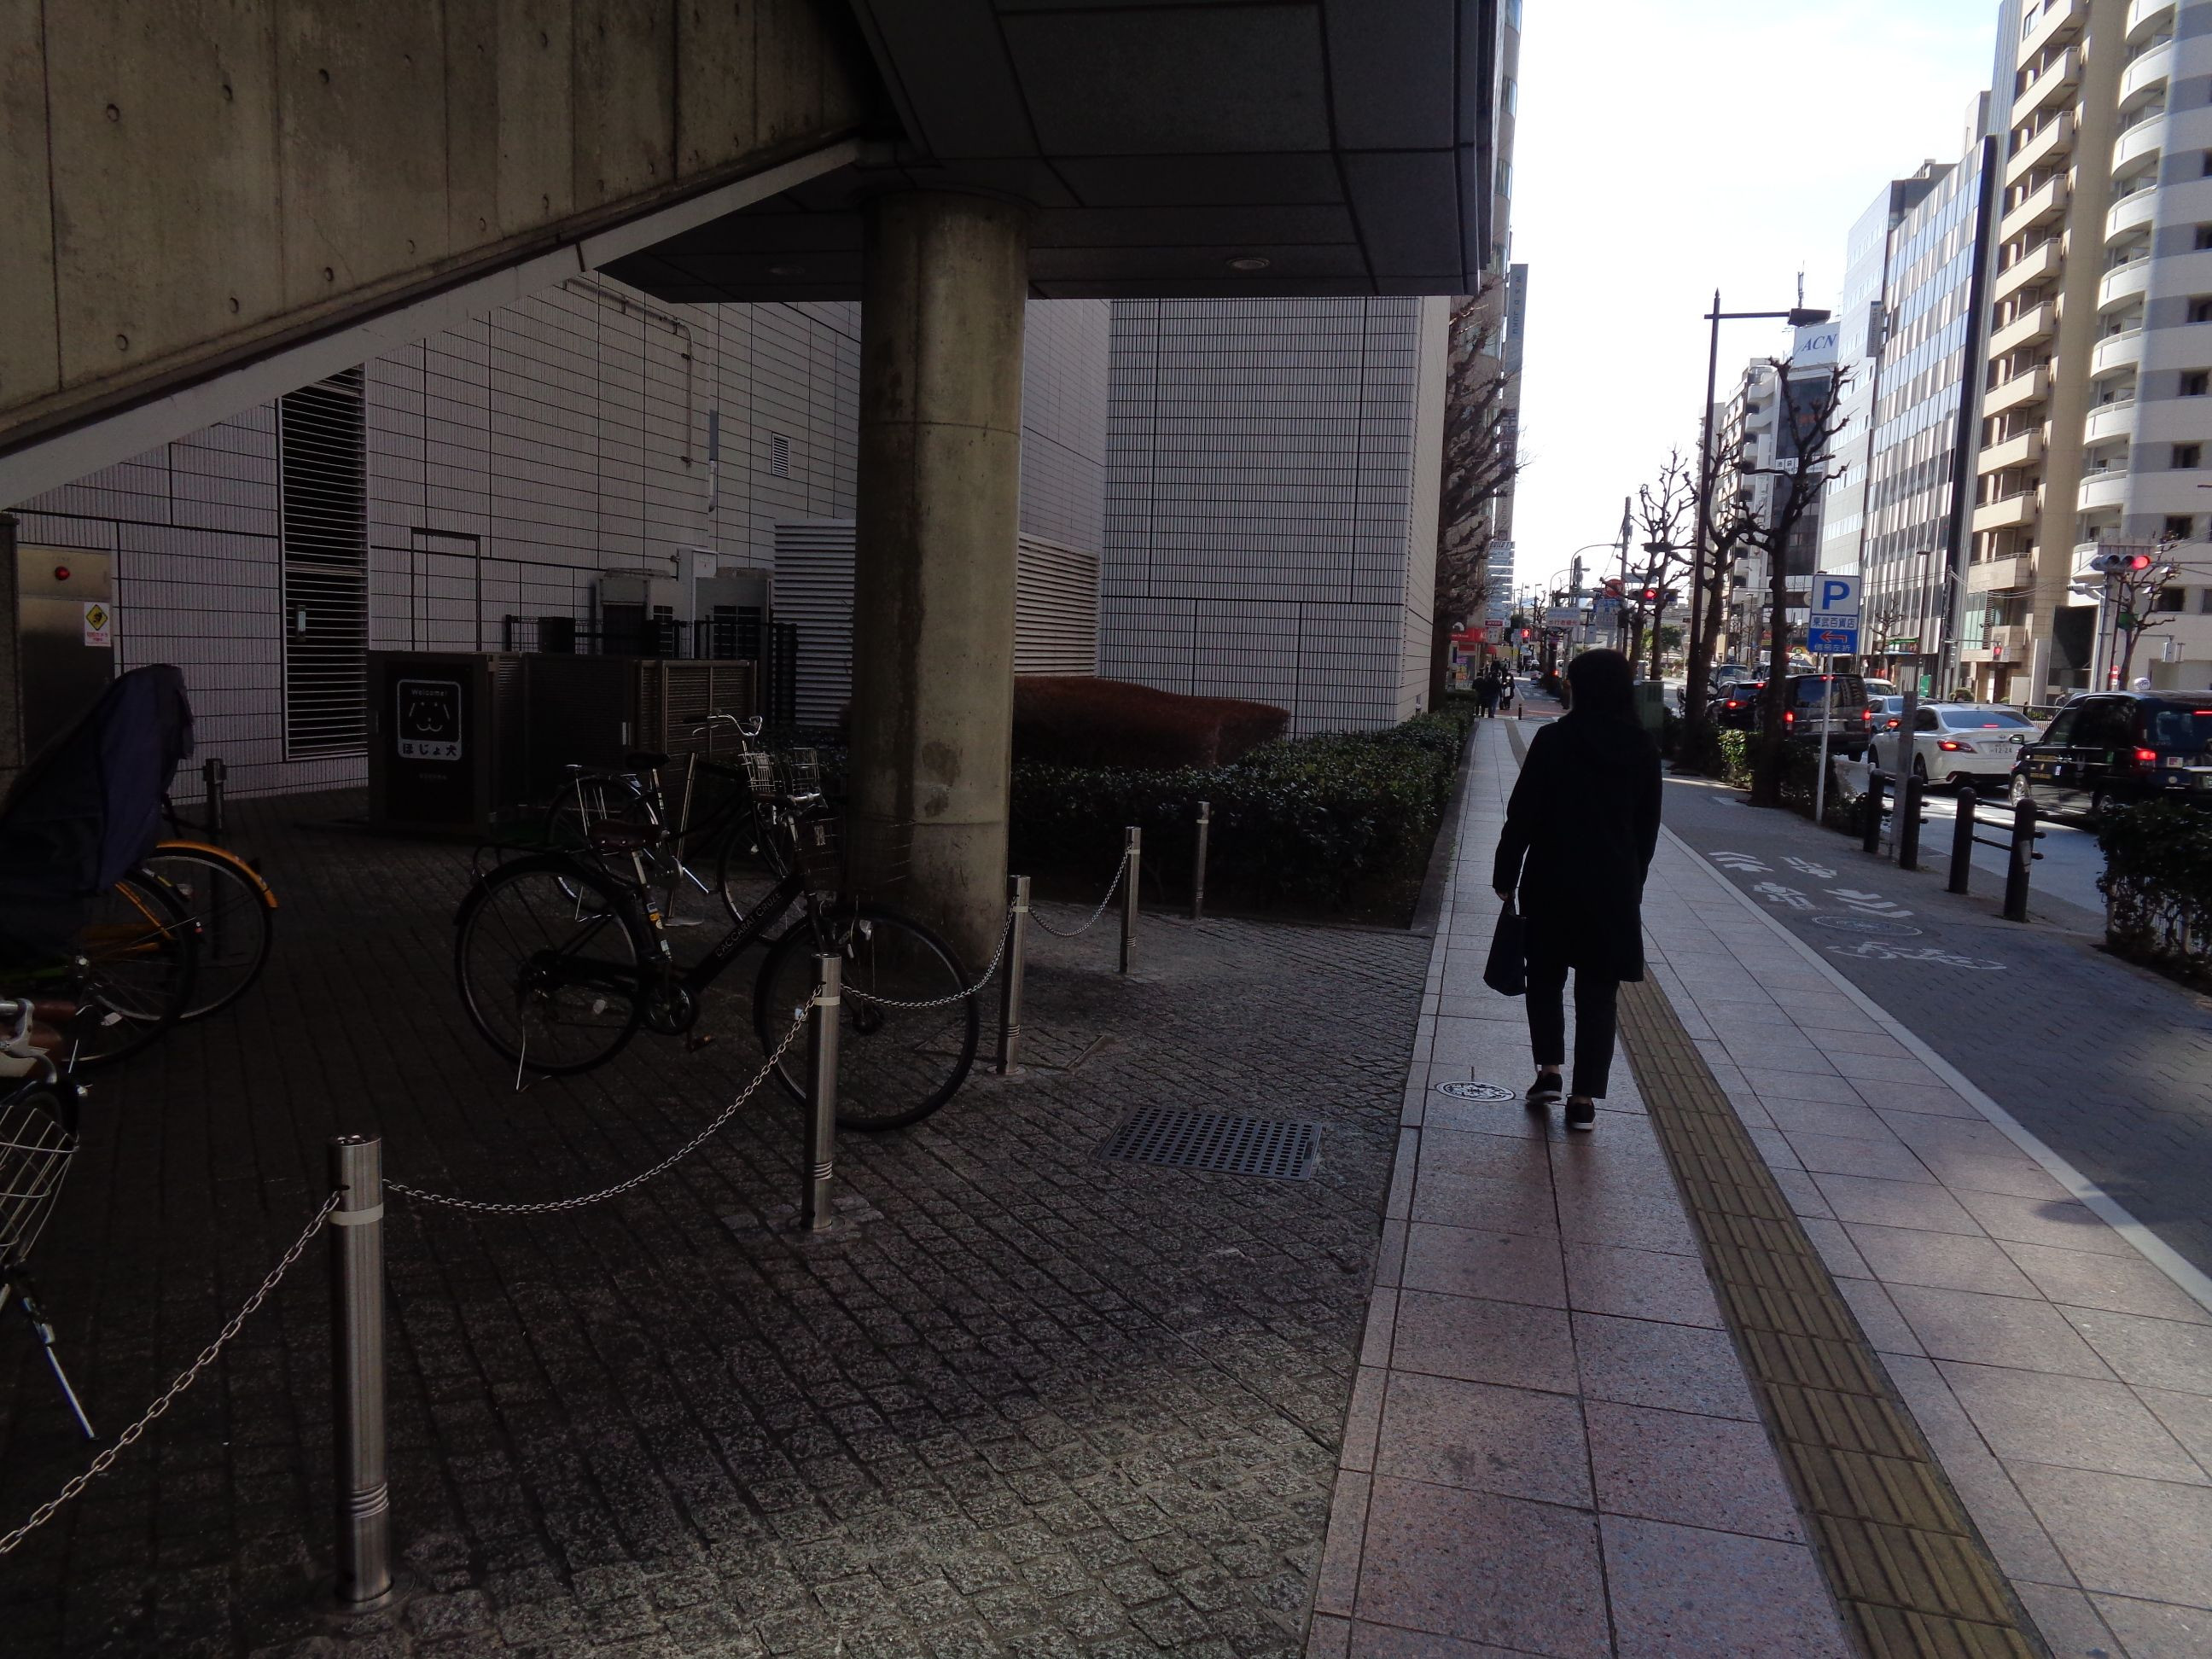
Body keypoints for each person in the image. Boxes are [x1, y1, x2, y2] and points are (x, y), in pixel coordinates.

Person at [1492, 649, 1662, 1130]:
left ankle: (1549, 1071)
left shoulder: (1554, 740)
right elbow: (1646, 828)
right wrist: (1634, 882)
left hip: (1551, 878)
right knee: (1598, 993)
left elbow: (1522, 814)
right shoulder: (1642, 747)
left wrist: (1506, 873)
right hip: (1611, 887)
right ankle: (1584, 1099)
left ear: (1580, 688)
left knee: (1545, 979)